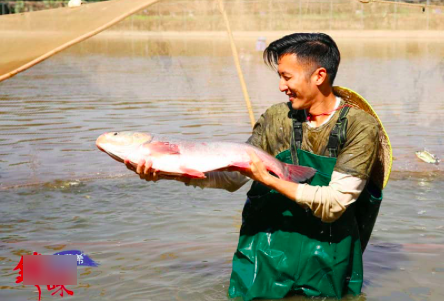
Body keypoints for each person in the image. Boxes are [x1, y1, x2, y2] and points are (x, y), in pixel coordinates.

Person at [130, 33, 391, 300]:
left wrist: (270, 180)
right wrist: (169, 172)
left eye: (287, 77)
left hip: (327, 258)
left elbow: (334, 203)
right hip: (264, 254)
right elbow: (232, 179)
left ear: (319, 76)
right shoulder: (276, 118)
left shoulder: (360, 127)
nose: (281, 86)